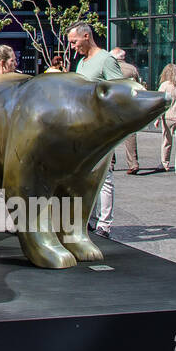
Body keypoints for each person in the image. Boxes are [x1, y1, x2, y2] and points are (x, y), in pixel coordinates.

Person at [67, 22, 122, 238]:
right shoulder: (82, 62)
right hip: (82, 128)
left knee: (104, 176)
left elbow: (120, 92)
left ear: (87, 36)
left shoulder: (106, 59)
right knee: (84, 175)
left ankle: (104, 225)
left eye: (74, 42)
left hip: (101, 129)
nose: (72, 47)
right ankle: (88, 218)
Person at [110, 47, 143, 174]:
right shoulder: (132, 69)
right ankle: (133, 163)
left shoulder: (110, 68)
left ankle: (110, 163)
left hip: (113, 105)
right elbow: (138, 85)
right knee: (130, 134)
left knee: (111, 135)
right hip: (129, 105)